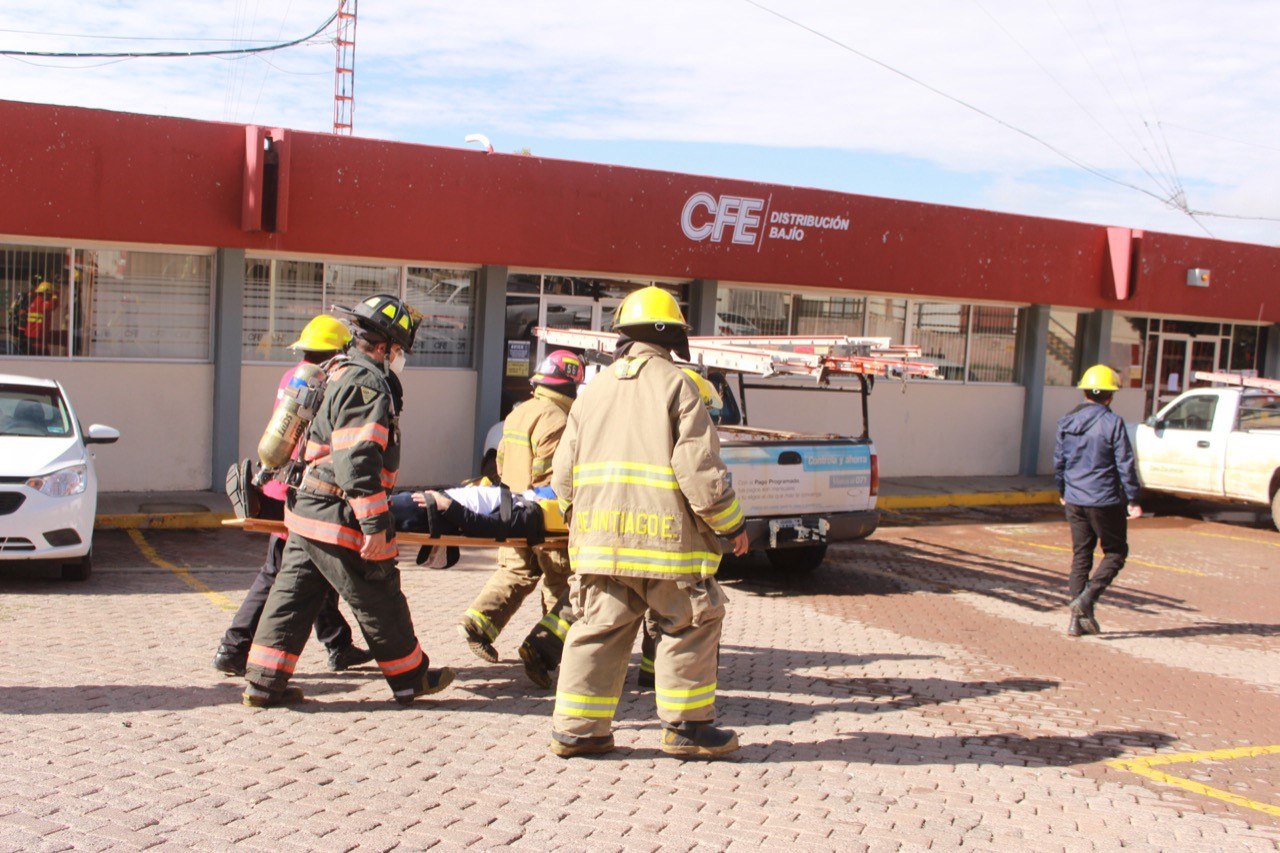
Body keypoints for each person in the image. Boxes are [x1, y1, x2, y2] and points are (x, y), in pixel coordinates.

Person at [548, 286, 749, 759]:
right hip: (669, 548)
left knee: (597, 629)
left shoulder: (592, 391)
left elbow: (562, 477)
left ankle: (578, 732)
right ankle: (686, 730)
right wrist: (732, 525)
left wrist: (585, 524)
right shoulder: (680, 386)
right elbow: (699, 472)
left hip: (601, 547)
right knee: (689, 625)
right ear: (674, 337)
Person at [242, 294, 455, 707]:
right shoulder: (366, 383)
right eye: (398, 351)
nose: (398, 359)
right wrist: (375, 527)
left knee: (293, 594)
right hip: (338, 513)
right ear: (384, 346)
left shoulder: (335, 371)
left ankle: (264, 683)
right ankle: (410, 678)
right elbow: (357, 459)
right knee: (379, 592)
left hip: (306, 510)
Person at [522, 367, 724, 692]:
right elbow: (700, 486)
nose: (712, 423)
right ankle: (655, 675)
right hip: (660, 543)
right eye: (710, 414)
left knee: (592, 604)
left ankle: (544, 646)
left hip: (601, 535)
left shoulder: (616, 418)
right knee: (668, 610)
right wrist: (731, 525)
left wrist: (573, 516)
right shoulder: (677, 426)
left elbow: (564, 479)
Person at [214, 315, 373, 677]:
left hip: (279, 483)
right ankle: (234, 646)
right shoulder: (327, 383)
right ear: (337, 352)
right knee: (278, 572)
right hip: (300, 491)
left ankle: (338, 644)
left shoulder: (294, 376)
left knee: (316, 567)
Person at [457, 350, 583, 663]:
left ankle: (477, 623)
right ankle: (547, 649)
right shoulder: (559, 419)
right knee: (561, 581)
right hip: (546, 517)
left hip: (511, 511)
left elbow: (498, 463)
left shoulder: (518, 412)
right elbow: (553, 477)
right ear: (571, 385)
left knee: (515, 571)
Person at [1053, 364, 1142, 637]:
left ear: (1084, 392)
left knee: (1081, 556)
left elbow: (1059, 462)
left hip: (1075, 498)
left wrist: (1063, 492)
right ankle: (1087, 599)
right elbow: (1124, 463)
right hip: (1104, 499)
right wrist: (1133, 498)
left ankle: (1076, 621)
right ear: (1110, 396)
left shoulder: (1066, 421)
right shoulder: (1113, 422)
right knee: (1115, 553)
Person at [21, 277, 59, 356]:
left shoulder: (37, 300)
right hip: (36, 335)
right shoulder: (41, 302)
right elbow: (52, 306)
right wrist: (55, 296)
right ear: (46, 293)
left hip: (33, 335)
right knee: (43, 358)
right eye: (50, 294)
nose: (50, 297)